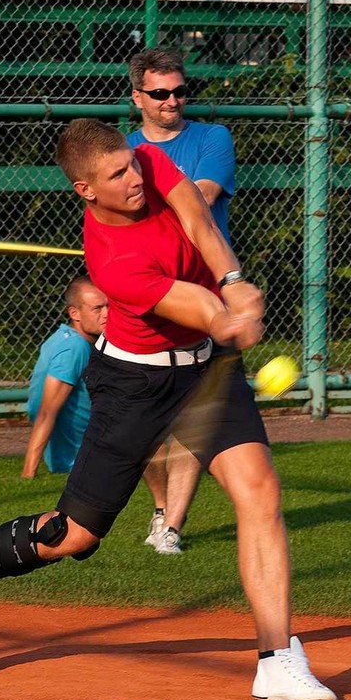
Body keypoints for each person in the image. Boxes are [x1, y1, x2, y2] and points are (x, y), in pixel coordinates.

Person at [0, 119, 337, 700]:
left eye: (131, 164)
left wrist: (235, 280)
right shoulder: (110, 262)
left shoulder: (148, 163)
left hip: (205, 371)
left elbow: (200, 224)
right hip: (135, 384)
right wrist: (227, 314)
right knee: (73, 535)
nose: (134, 176)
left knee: (258, 489)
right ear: (86, 189)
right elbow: (196, 306)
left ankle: (278, 659)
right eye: (116, 174)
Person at [127, 47, 236, 554]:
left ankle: (171, 524)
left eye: (179, 91)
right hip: (147, 298)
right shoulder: (121, 152)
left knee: (196, 413)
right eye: (160, 93)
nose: (172, 101)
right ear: (138, 97)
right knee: (141, 427)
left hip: (207, 297)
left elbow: (203, 196)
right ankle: (158, 506)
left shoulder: (213, 138)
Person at [20, 277, 108, 480]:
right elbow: (45, 412)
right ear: (74, 313)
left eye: (109, 306)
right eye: (97, 309)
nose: (107, 314)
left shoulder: (64, 339)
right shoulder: (74, 348)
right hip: (79, 461)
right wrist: (28, 474)